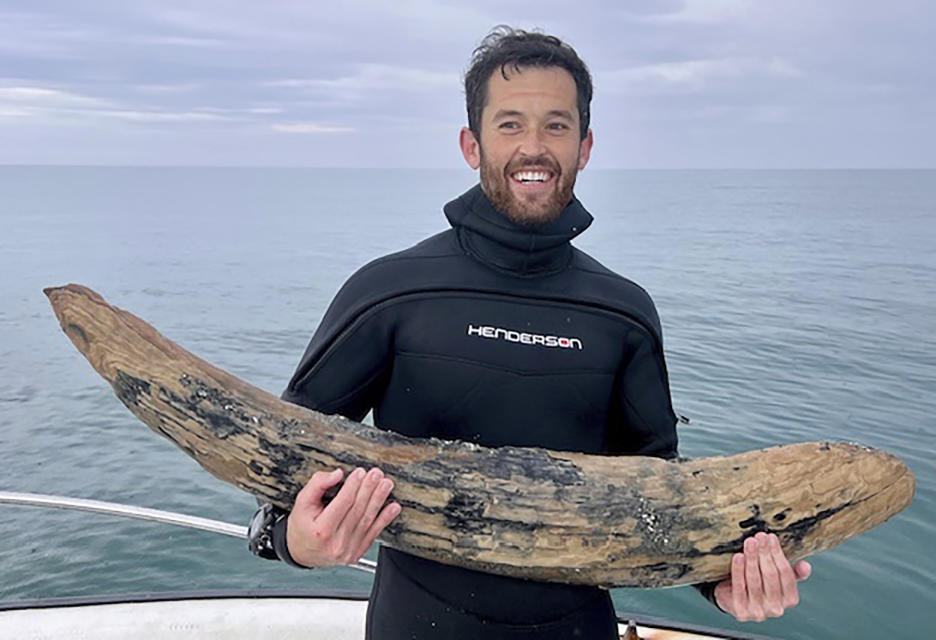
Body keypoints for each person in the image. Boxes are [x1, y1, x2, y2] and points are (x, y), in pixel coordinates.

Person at [246, 26, 811, 638]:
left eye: (557, 125)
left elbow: (658, 496)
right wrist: (297, 542)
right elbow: (278, 469)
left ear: (585, 146)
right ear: (472, 143)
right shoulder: (389, 293)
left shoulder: (623, 314)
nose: (534, 147)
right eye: (510, 124)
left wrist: (722, 584)